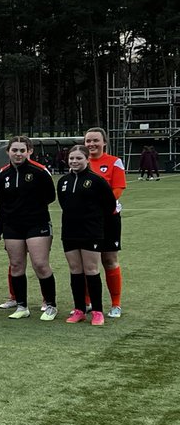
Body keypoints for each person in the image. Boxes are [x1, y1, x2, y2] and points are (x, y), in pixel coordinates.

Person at [0, 136, 57, 321]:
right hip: (12, 226)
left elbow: (50, 197)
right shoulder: (3, 175)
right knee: (16, 266)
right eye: (15, 150)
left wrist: (30, 208)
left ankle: (51, 305)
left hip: (37, 224)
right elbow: (2, 204)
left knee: (40, 264)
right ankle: (22, 306)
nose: (18, 154)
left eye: (22, 150)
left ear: (29, 151)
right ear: (8, 152)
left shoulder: (39, 172)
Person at [57, 145, 115, 326]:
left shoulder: (96, 181)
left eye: (78, 158)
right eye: (71, 158)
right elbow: (63, 203)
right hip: (69, 232)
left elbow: (109, 205)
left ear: (87, 160)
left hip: (91, 232)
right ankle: (79, 309)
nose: (74, 162)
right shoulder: (63, 181)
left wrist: (93, 221)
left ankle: (97, 311)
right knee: (75, 270)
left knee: (91, 270)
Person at [85, 127, 127, 317]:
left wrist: (100, 207)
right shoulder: (81, 161)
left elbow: (118, 189)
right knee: (87, 261)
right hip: (86, 220)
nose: (91, 144)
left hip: (108, 218)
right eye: (88, 141)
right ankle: (86, 302)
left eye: (95, 140)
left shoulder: (114, 162)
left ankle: (115, 304)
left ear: (104, 143)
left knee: (109, 260)